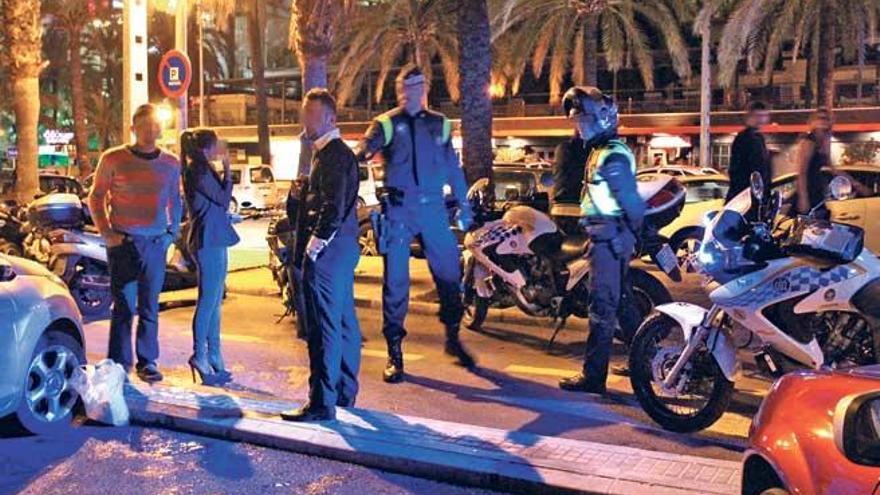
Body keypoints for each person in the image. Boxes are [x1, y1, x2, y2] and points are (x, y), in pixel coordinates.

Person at [356, 65, 475, 383]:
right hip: (399, 212)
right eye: (407, 86)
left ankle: (453, 337)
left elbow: (453, 166)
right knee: (395, 285)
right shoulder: (386, 123)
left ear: (425, 88)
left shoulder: (441, 124)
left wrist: (464, 204)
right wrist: (358, 153)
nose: (413, 91)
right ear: (399, 90)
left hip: (434, 210)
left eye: (419, 85)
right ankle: (395, 353)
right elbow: (366, 148)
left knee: (451, 276)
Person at [557, 87, 645, 394]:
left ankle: (594, 378)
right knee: (622, 304)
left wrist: (623, 237)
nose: (579, 126)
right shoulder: (600, 151)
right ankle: (644, 360)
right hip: (604, 237)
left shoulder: (612, 156)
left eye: (585, 120)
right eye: (577, 121)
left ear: (604, 119)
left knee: (602, 309)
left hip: (610, 239)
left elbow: (632, 204)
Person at [280, 88, 361, 422]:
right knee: (341, 323)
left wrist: (314, 247)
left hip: (328, 253)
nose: (305, 119)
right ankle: (342, 393)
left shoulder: (334, 156)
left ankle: (321, 402)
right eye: (304, 113)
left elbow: (334, 206)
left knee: (322, 327)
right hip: (338, 251)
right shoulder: (327, 155)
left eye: (311, 114)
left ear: (330, 118)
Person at [88, 103, 182, 383]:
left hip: (155, 244)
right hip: (124, 243)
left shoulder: (171, 162)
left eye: (155, 125)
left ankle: (148, 361)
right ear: (133, 128)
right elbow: (96, 197)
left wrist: (171, 234)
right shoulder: (113, 158)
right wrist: (107, 232)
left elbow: (175, 201)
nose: (151, 130)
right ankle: (118, 363)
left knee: (150, 305)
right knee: (124, 306)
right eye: (144, 125)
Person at [180, 128, 240, 386]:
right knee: (208, 301)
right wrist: (228, 171)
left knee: (215, 302)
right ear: (207, 148)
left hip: (215, 237)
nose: (221, 150)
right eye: (217, 145)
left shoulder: (201, 168)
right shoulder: (198, 170)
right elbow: (224, 200)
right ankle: (200, 355)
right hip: (208, 240)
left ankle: (214, 356)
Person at [726, 100, 771, 204]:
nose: (761, 119)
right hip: (746, 197)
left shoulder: (757, 138)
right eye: (758, 116)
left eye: (764, 116)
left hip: (750, 196)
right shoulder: (746, 138)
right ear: (750, 116)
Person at [550, 125, 593, 235]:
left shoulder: (562, 148)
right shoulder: (594, 151)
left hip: (559, 209)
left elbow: (559, 175)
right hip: (581, 208)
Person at [794, 110, 832, 218]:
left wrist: (856, 184)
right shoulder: (808, 142)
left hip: (818, 192)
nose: (823, 121)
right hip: (808, 192)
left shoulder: (823, 141)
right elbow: (801, 172)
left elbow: (832, 167)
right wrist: (803, 198)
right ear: (812, 122)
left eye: (825, 118)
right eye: (819, 118)